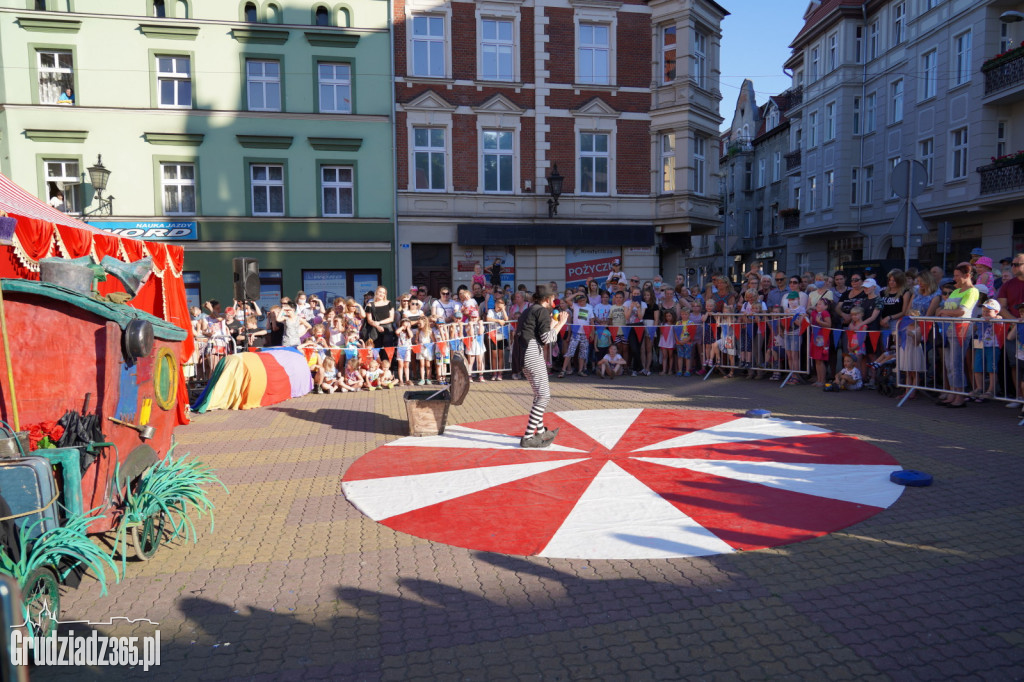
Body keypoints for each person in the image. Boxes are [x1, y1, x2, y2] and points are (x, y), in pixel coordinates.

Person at [511, 286, 567, 448]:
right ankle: (528, 437)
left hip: (523, 353)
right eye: (553, 299)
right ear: (547, 299)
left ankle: (541, 431)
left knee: (538, 394)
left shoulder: (530, 310)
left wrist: (552, 323)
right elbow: (547, 338)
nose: (554, 302)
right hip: (531, 353)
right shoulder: (541, 311)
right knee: (543, 396)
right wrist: (561, 323)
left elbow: (539, 335)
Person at [935, 262, 979, 408]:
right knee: (949, 363)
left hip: (961, 329)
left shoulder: (972, 291)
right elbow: (946, 308)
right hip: (948, 330)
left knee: (956, 364)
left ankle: (960, 396)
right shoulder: (955, 291)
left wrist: (943, 312)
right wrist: (943, 312)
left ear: (967, 276)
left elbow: (962, 311)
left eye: (957, 276)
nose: (955, 279)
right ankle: (953, 393)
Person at [560, 294, 593, 378]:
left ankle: (580, 370)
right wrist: (577, 294)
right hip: (576, 333)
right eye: (579, 301)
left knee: (583, 353)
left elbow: (591, 321)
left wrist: (592, 333)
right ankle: (563, 370)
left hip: (585, 333)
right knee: (570, 351)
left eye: (582, 300)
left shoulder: (590, 307)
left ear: (586, 299)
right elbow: (567, 299)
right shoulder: (575, 306)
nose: (581, 302)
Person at [364, 286, 396, 361]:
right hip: (374, 330)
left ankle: (387, 368)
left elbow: (391, 318)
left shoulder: (389, 303)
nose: (381, 294)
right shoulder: (370, 305)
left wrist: (379, 322)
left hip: (387, 329)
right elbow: (369, 320)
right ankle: (376, 368)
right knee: (376, 350)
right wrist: (377, 326)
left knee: (387, 350)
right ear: (376, 293)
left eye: (383, 292)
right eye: (380, 292)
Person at [809, 297, 831, 387]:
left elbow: (829, 324)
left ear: (826, 306)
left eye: (820, 304)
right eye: (817, 303)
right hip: (814, 337)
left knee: (820, 360)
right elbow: (810, 323)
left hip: (822, 338)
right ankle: (818, 379)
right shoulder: (814, 313)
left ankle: (822, 380)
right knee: (816, 360)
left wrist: (819, 321)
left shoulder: (825, 313)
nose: (818, 305)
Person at [486, 296, 510, 381]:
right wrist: (498, 321)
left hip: (501, 335)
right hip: (493, 334)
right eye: (498, 302)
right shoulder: (491, 311)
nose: (499, 304)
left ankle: (500, 373)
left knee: (501, 354)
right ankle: (494, 372)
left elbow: (506, 320)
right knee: (494, 355)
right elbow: (488, 318)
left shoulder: (503, 312)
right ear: (495, 303)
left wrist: (503, 309)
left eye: (501, 303)